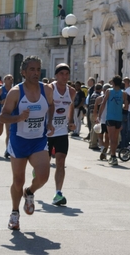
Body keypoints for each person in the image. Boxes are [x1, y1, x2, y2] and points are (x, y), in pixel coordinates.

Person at [0, 55, 55, 230]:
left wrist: (50, 122)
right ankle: (15, 213)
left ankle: (29, 192)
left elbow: (51, 105)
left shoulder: (46, 90)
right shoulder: (15, 92)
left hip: (39, 140)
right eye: (32, 69)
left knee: (44, 176)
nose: (36, 72)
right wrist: (19, 117)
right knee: (18, 181)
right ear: (23, 72)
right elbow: (2, 117)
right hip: (19, 141)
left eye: (38, 69)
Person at [48, 63, 76, 205]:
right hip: (47, 132)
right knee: (43, 166)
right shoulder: (49, 89)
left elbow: (70, 108)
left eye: (67, 74)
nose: (64, 77)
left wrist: (71, 121)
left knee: (60, 162)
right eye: (61, 74)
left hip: (61, 131)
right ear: (56, 75)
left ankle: (58, 193)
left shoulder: (71, 91)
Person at [97, 75, 128, 166]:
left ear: (113, 83)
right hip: (118, 118)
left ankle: (113, 156)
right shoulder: (124, 93)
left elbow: (103, 104)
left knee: (111, 138)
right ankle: (113, 156)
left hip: (110, 117)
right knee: (115, 138)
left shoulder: (109, 91)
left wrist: (99, 115)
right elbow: (126, 107)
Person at [94, 83, 111, 160]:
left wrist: (96, 118)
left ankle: (102, 148)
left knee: (100, 136)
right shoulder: (112, 99)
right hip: (109, 120)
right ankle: (105, 151)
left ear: (103, 90)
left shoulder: (99, 99)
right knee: (107, 138)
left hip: (101, 120)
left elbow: (95, 110)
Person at [87, 83, 102, 150]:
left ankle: (91, 142)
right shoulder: (98, 96)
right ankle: (93, 144)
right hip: (95, 113)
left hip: (91, 113)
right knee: (95, 129)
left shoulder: (93, 95)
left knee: (93, 128)